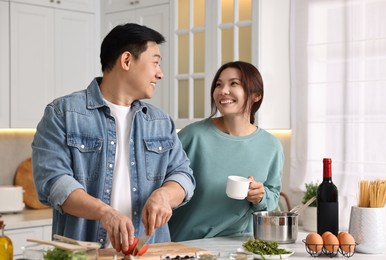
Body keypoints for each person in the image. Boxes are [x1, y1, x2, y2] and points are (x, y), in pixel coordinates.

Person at [31, 23, 196, 253]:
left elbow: (183, 175)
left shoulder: (160, 122)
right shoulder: (63, 113)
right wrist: (105, 213)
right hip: (84, 254)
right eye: (155, 62)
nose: (160, 73)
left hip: (150, 254)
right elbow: (53, 182)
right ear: (127, 61)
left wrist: (164, 195)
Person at [169, 61, 284, 241]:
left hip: (238, 245)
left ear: (256, 95)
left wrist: (260, 196)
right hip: (187, 244)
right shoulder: (193, 136)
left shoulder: (271, 146)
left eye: (234, 84)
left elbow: (272, 199)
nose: (223, 91)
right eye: (218, 84)